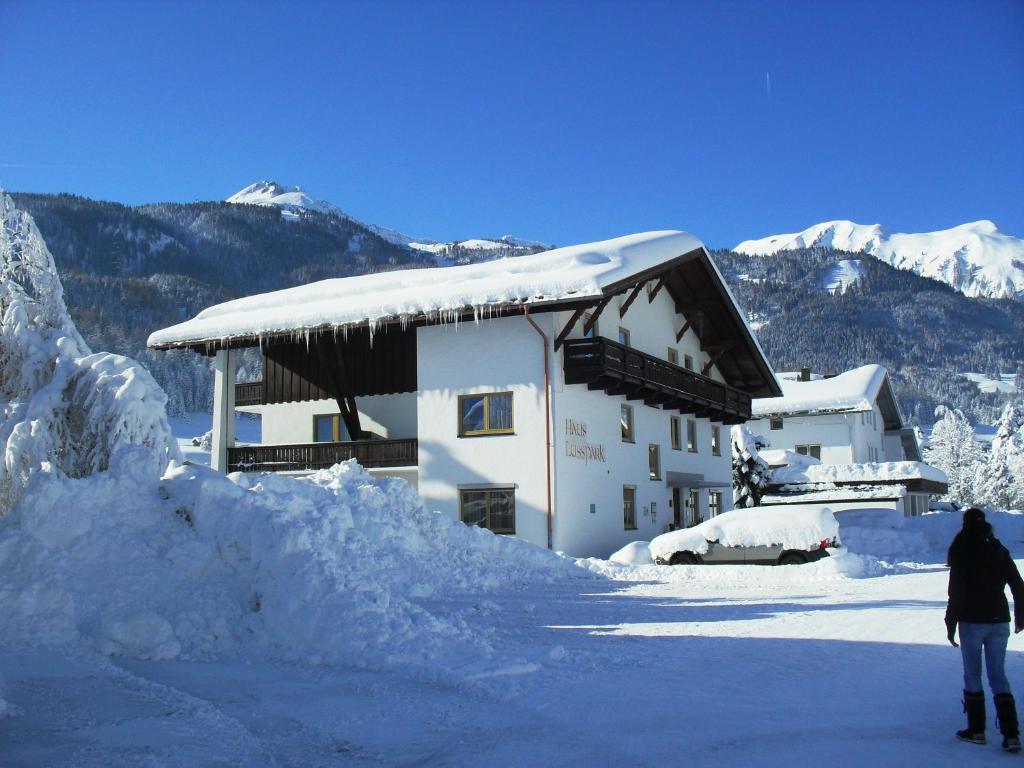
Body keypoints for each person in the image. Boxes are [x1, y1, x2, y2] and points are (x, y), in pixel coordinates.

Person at [946, 507, 1024, 752]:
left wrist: (951, 622)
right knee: (998, 676)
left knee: (973, 675)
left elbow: (956, 592)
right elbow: (1018, 585)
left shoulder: (961, 549)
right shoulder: (997, 549)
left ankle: (976, 730)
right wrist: (1020, 617)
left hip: (971, 621)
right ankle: (1011, 735)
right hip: (999, 620)